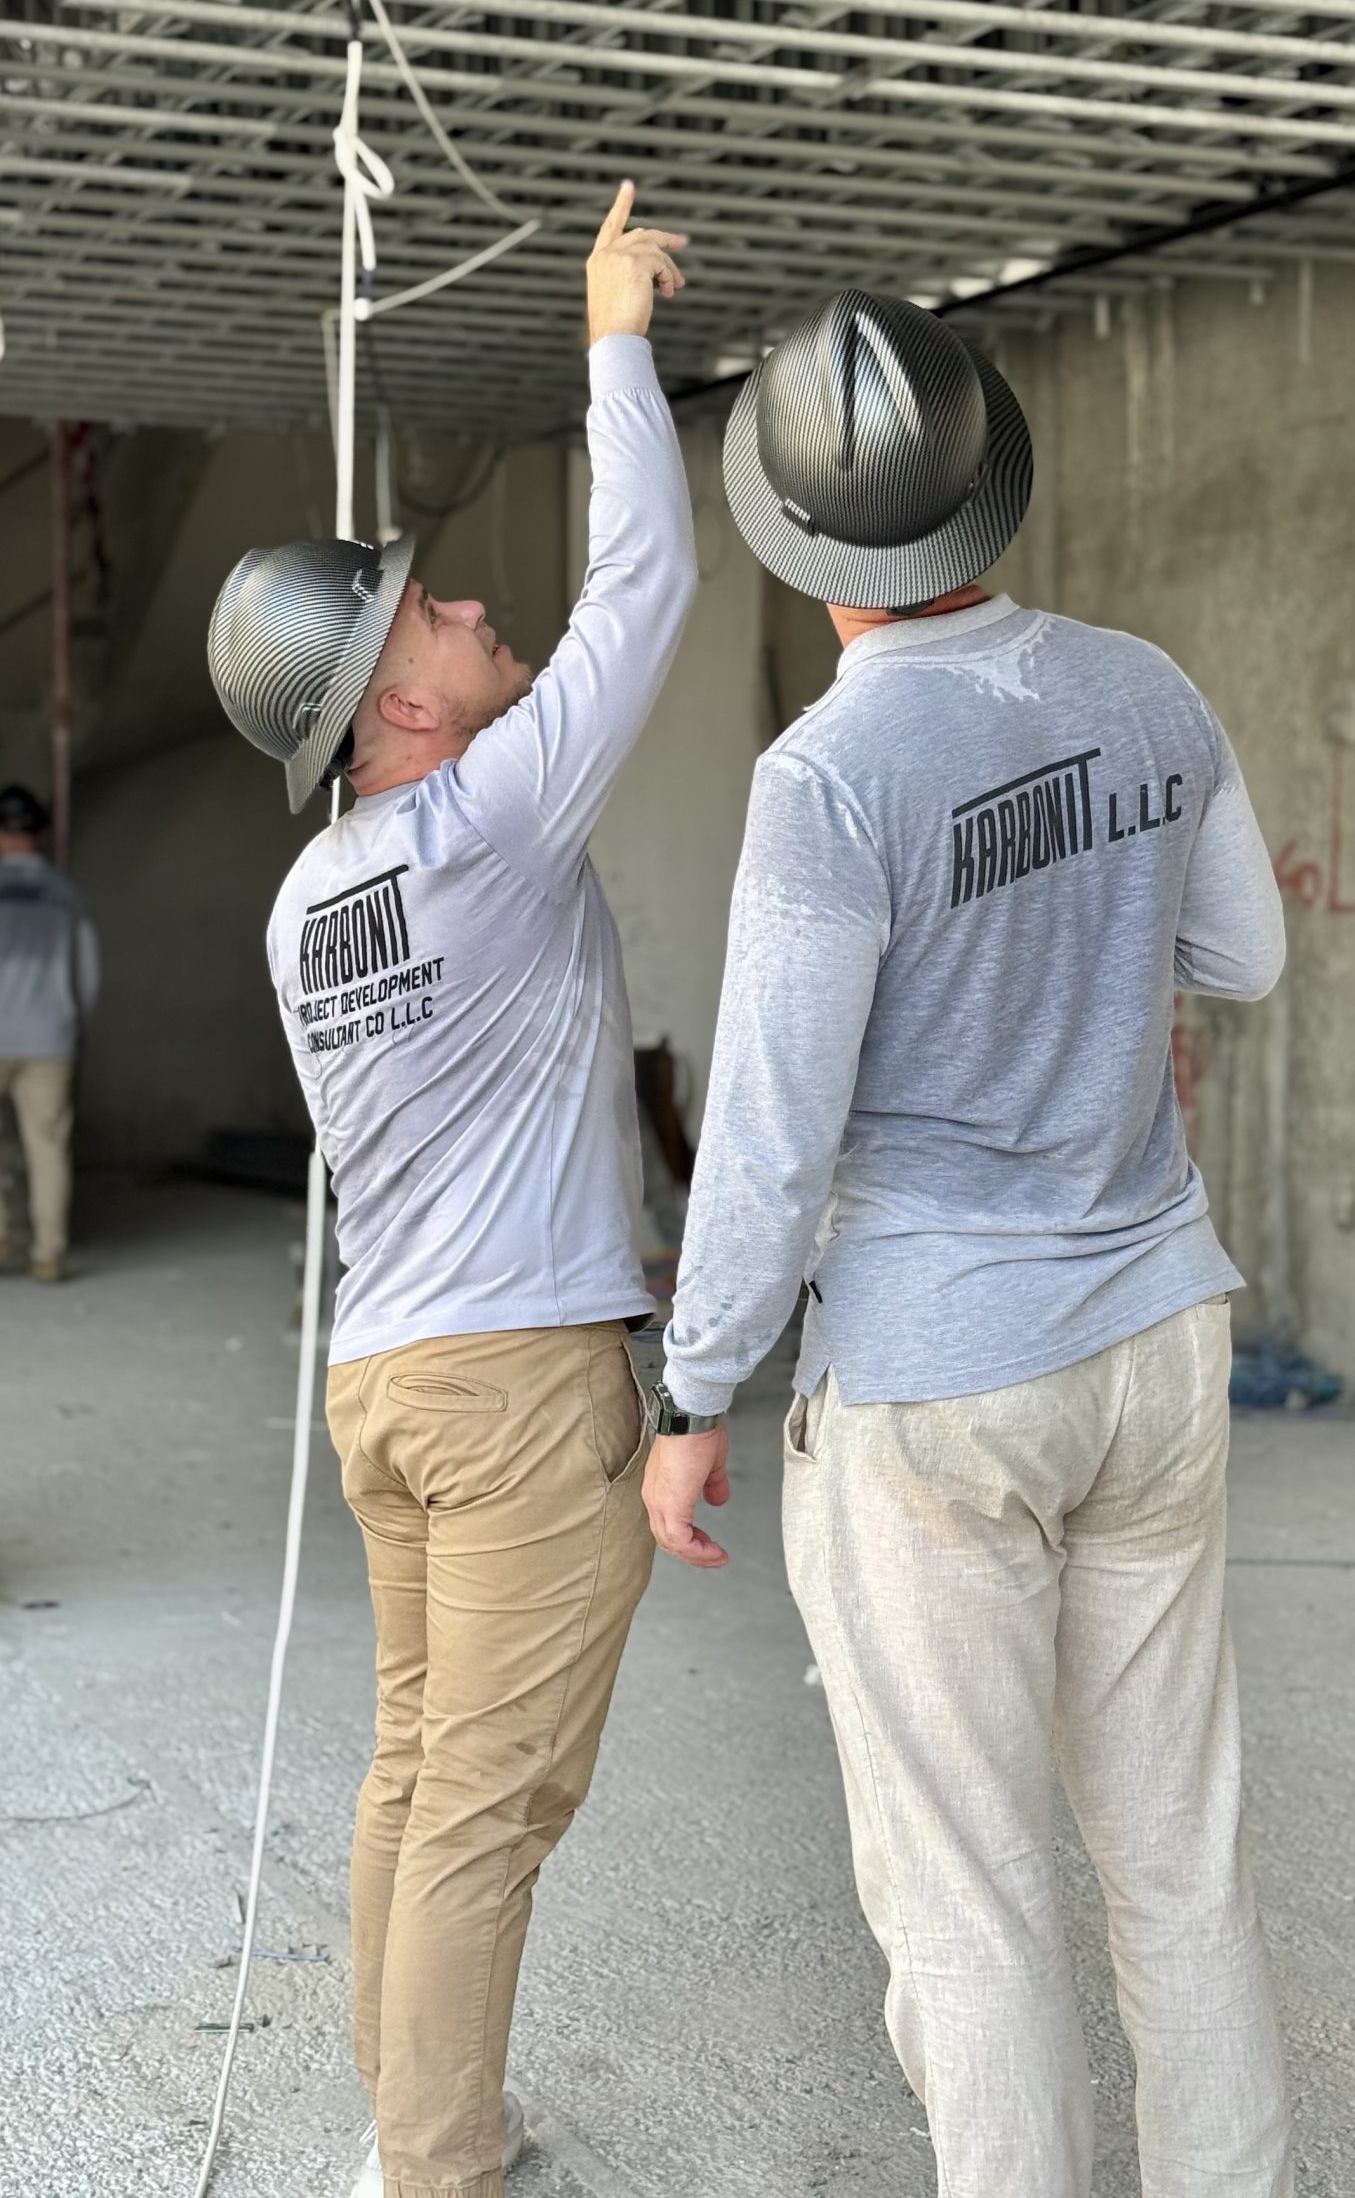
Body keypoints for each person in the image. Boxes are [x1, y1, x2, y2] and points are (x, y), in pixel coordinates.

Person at [643, 292, 1293, 2198]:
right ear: (986, 485)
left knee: (973, 1892)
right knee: (1180, 1861)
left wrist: (692, 1394)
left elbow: (773, 1134)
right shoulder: (1145, 687)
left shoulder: (828, 780)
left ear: (794, 543)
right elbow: (1246, 954)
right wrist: (1088, 937)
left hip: (940, 1377)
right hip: (1156, 1335)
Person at [206, 186, 696, 2198]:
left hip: (387, 1383)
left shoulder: (308, 898)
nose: (469, 604)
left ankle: (412, 2119)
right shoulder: (484, 822)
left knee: (421, 1764)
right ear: (396, 709)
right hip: (508, 1392)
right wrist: (611, 335)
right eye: (426, 611)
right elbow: (645, 589)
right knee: (492, 1799)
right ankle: (436, 2168)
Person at [0, 782, 99, 1283]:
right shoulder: (64, 893)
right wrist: (74, 1022)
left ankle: (3, 1236)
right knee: (48, 1147)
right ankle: (48, 1253)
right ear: (38, 834)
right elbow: (87, 974)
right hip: (49, 1039)